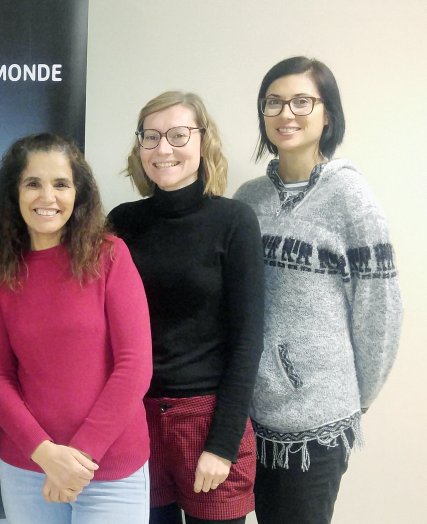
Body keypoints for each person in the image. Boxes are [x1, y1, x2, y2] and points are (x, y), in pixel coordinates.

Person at [233, 56, 403, 524]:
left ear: (327, 114)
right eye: (274, 102)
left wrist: (350, 399)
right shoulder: (247, 200)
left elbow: (380, 313)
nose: (286, 114)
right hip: (247, 415)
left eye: (302, 101)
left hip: (316, 428)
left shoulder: (352, 199)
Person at [0, 133, 153, 524]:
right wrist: (45, 454)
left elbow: (134, 366)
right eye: (33, 183)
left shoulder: (109, 256)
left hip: (109, 469)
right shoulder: (0, 271)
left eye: (61, 184)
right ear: (14, 192)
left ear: (79, 194)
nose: (47, 197)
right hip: (28, 469)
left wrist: (79, 459)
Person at [108, 92, 264, 524]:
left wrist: (223, 444)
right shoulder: (121, 222)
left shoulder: (234, 221)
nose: (163, 149)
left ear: (203, 141)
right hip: (136, 420)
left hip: (208, 421)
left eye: (178, 135)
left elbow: (248, 341)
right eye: (151, 136)